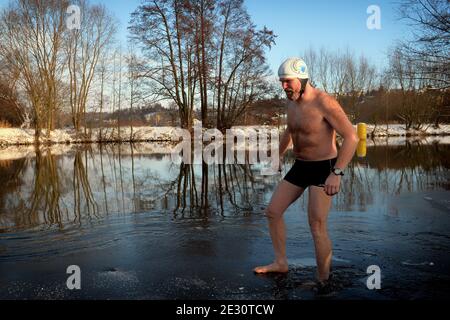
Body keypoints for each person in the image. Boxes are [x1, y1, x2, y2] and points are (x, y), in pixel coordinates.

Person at [254, 57, 359, 286]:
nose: (284, 86)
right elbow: (290, 131)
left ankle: (323, 279)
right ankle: (281, 262)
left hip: (325, 168)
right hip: (301, 166)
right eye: (281, 82)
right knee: (273, 212)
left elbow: (352, 137)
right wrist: (277, 155)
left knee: (317, 225)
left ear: (301, 78)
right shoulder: (291, 102)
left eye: (288, 81)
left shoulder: (325, 102)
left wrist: (337, 173)